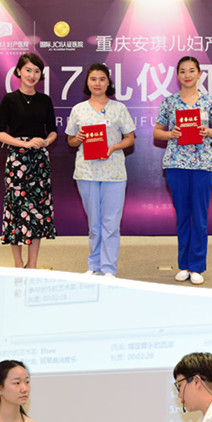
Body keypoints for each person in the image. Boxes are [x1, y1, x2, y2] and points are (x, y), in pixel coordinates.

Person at [153, 56, 212, 285]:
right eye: (182, 71)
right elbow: (157, 131)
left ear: (199, 74)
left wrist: (207, 131)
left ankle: (197, 266)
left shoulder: (208, 101)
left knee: (199, 217)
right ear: (177, 75)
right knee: (183, 216)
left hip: (202, 164)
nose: (187, 75)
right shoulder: (170, 102)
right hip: (176, 164)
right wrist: (170, 134)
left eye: (191, 70)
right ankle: (184, 265)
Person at [65, 63, 136, 277]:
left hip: (114, 173)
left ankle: (108, 268)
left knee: (111, 223)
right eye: (93, 79)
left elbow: (130, 138)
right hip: (86, 173)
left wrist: (113, 147)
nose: (98, 83)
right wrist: (77, 139)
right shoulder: (78, 109)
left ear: (108, 82)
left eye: (102, 79)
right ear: (87, 82)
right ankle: (94, 265)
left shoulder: (119, 108)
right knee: (94, 223)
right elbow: (70, 140)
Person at [0, 52, 57, 268]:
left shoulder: (45, 100)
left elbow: (53, 131)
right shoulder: (9, 99)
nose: (32, 75)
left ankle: (32, 264)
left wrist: (45, 142)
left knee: (37, 210)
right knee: (16, 209)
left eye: (36, 71)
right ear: (19, 71)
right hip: (17, 161)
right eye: (28, 70)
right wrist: (24, 143)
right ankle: (18, 263)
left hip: (40, 160)